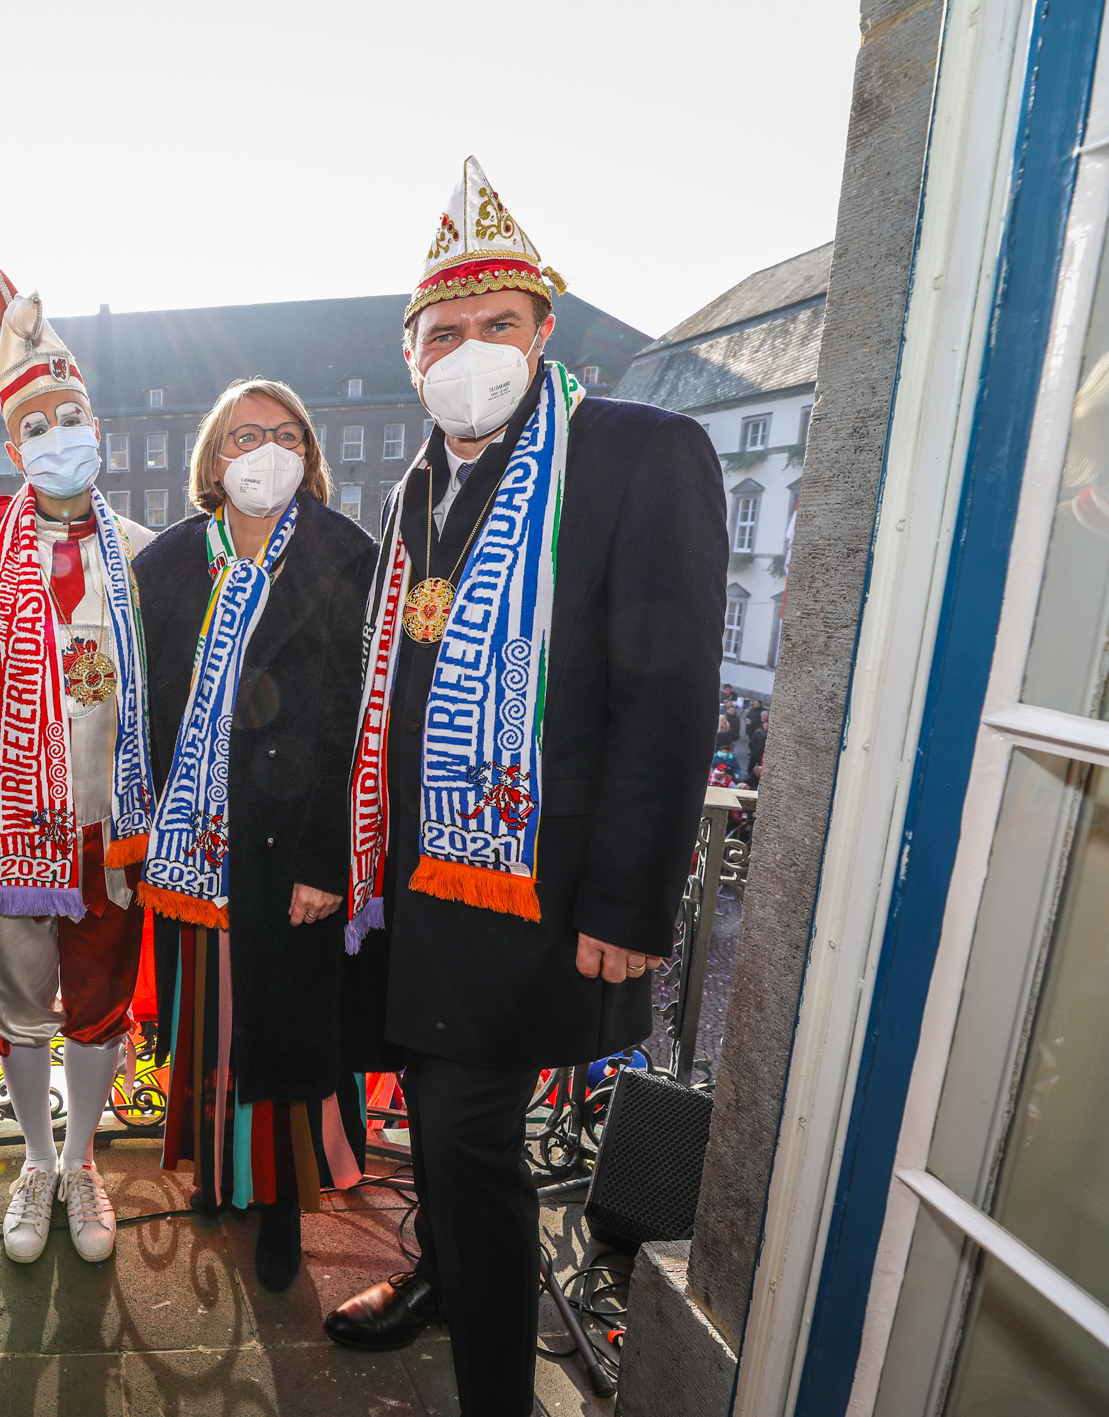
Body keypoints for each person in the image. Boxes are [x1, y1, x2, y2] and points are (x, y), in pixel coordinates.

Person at [326, 157, 726, 1416]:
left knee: (463, 1138)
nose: (469, 349)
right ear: (409, 359)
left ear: (544, 330)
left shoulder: (634, 454)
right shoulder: (410, 490)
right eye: (441, 332)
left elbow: (665, 695)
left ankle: (493, 1387)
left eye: (496, 324)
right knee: (440, 1126)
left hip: (538, 892)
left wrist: (627, 902)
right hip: (420, 886)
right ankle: (438, 1272)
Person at [133, 377, 383, 1293]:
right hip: (196, 848)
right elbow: (143, 712)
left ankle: (279, 1201)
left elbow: (356, 721)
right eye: (245, 434)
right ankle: (220, 1173)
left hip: (290, 847)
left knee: (282, 1029)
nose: (264, 449)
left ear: (309, 455)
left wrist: (328, 858)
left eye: (285, 432)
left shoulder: (342, 556)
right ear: (214, 455)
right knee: (211, 1024)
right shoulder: (165, 566)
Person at [0, 261, 158, 1267]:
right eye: (36, 426)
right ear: (12, 441)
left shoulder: (144, 550)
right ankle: (32, 1157)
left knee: (99, 1008)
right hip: (16, 824)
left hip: (108, 829)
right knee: (24, 1005)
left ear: (95, 424)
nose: (56, 436)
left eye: (69, 416)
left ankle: (81, 1163)